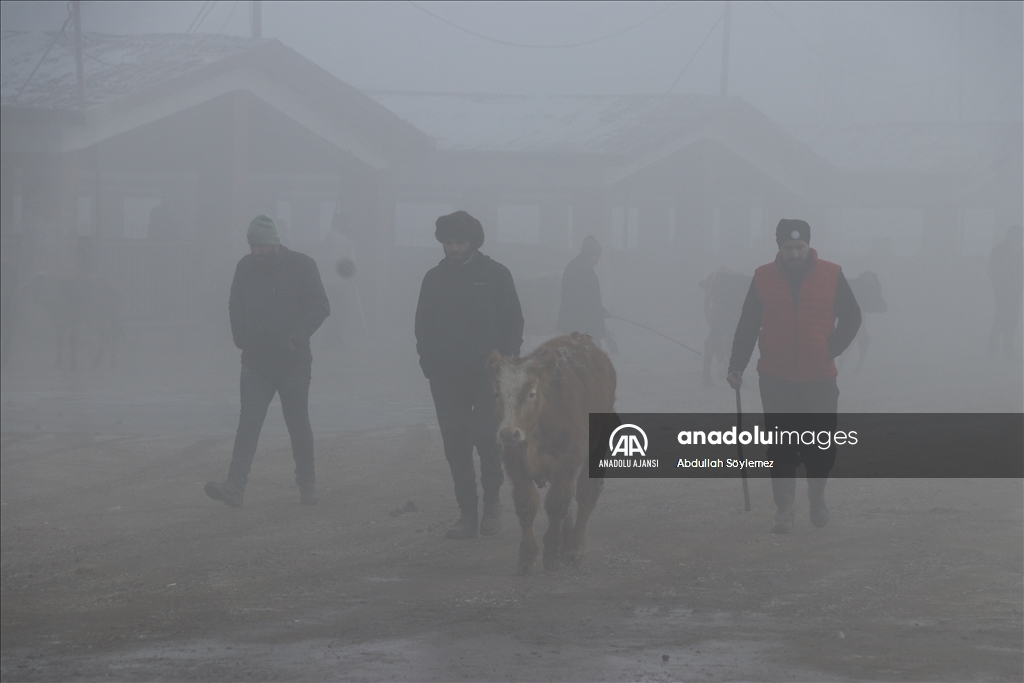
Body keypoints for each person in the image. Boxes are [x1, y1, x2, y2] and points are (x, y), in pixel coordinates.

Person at [727, 219, 861, 534]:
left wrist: (832, 348)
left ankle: (817, 500)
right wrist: (737, 365)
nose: (795, 253)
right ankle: (784, 509)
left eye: (800, 247)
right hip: (776, 377)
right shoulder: (762, 277)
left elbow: (853, 316)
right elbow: (748, 323)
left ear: (809, 245)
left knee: (821, 444)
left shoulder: (832, 274)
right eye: (788, 248)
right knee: (780, 445)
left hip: (820, 377)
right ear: (779, 247)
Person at [205, 215, 330, 507]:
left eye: (260, 246)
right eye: (252, 245)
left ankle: (307, 485)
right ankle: (235, 486)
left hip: (293, 361)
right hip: (255, 361)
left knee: (297, 423)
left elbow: (320, 305)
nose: (255, 252)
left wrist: (297, 336)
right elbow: (235, 303)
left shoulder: (302, 265)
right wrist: (240, 337)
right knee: (248, 422)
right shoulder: (245, 267)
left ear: (274, 243)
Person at [415, 211, 524, 539]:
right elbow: (423, 326)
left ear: (473, 241)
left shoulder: (496, 275)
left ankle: (492, 505)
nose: (454, 248)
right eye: (449, 242)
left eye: (460, 241)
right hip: (446, 377)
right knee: (455, 443)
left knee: (486, 438)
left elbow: (512, 322)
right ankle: (467, 514)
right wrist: (428, 363)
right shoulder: (433, 279)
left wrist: (504, 363)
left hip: (486, 377)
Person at [557, 236, 617, 353]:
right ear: (591, 253)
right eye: (598, 254)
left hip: (574, 324)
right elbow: (586, 299)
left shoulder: (576, 266)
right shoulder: (583, 270)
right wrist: (601, 311)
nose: (599, 257)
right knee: (592, 358)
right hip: (582, 326)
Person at [987, 225, 1023, 361]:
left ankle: (1007, 351)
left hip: (1016, 291)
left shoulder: (1019, 250)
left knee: (1012, 321)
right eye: (1020, 236)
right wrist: (999, 289)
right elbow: (993, 271)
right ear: (1013, 236)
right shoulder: (999, 250)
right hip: (1003, 291)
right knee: (1000, 320)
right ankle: (992, 352)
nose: (1022, 239)